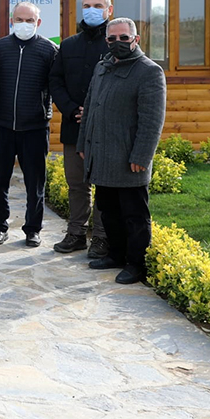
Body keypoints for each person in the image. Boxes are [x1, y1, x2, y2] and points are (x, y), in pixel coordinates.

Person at [76, 17, 166, 285]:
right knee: (108, 210)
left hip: (129, 159)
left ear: (136, 39)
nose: (118, 43)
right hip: (102, 156)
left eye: (124, 38)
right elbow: (89, 107)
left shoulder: (149, 71)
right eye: (112, 39)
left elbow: (152, 120)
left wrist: (141, 155)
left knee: (134, 216)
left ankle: (136, 264)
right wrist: (83, 144)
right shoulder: (102, 68)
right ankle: (115, 255)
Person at [0, 2, 58, 247]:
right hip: (3, 127)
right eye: (19, 19)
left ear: (38, 23)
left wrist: (46, 113)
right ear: (11, 21)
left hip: (35, 128)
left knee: (35, 184)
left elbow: (55, 86)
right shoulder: (0, 48)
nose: (23, 24)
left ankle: (33, 229)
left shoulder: (50, 50)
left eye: (29, 20)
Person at [49, 0, 113, 258]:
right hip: (74, 125)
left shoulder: (116, 44)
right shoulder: (68, 45)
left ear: (109, 10)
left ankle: (101, 237)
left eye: (97, 6)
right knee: (77, 183)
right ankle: (76, 233)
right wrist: (73, 109)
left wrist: (95, 111)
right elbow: (56, 81)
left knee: (104, 183)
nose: (91, 10)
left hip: (106, 128)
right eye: (86, 5)